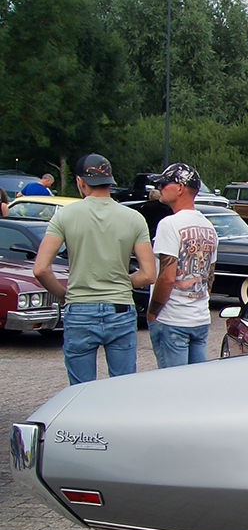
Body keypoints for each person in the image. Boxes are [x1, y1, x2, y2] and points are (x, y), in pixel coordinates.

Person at [32, 154, 156, 385]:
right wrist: (118, 282)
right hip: (119, 308)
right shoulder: (134, 218)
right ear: (110, 181)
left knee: (81, 390)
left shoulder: (65, 216)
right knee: (122, 386)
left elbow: (41, 269)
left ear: (80, 181)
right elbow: (148, 274)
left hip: (79, 307)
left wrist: (63, 294)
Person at [145, 163, 219, 368]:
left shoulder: (169, 224)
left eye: (163, 184)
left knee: (172, 387)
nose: (159, 188)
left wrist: (152, 313)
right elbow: (209, 276)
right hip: (200, 318)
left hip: (172, 319)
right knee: (194, 386)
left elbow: (167, 277)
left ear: (179, 187)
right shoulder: (209, 227)